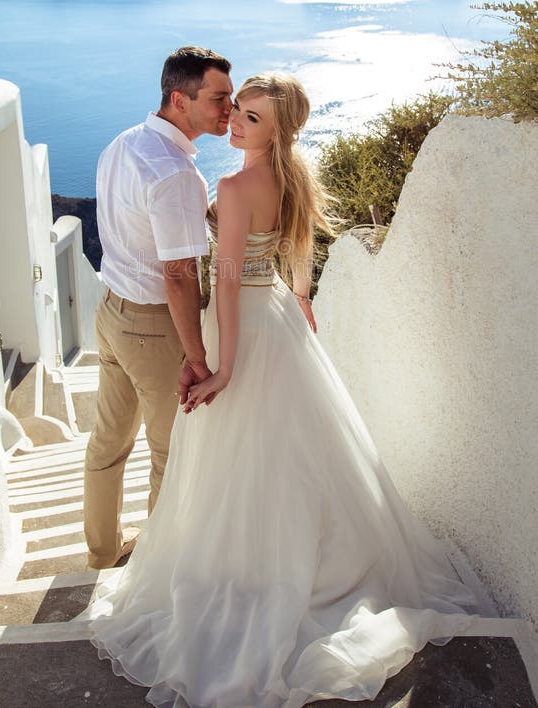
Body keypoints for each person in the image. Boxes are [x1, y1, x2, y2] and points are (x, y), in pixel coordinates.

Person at [88, 72, 494, 702]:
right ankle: (303, 560)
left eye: (251, 118)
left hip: (240, 324)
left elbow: (223, 283)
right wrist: (301, 298)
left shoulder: (231, 185)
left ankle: (246, 569)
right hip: (278, 315)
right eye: (238, 111)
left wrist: (221, 367)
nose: (236, 123)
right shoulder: (295, 176)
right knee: (294, 451)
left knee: (238, 457)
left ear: (275, 130)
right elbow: (297, 250)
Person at [83, 46, 233, 570]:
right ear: (179, 98)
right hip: (151, 328)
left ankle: (103, 554)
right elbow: (178, 276)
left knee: (108, 441)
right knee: (171, 455)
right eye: (218, 99)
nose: (229, 110)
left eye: (232, 99)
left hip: (110, 313)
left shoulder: (124, 143)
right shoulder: (176, 176)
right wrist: (196, 356)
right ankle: (157, 573)